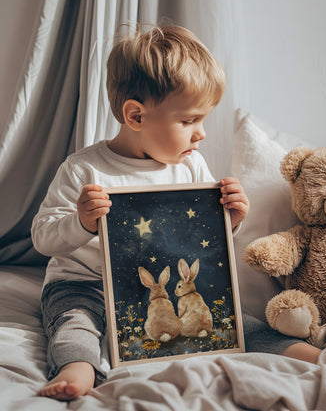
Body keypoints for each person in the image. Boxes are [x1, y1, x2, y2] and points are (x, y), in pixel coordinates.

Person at [31, 23, 249, 401]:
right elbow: (43, 237)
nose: (201, 134)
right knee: (74, 324)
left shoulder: (191, 167)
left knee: (233, 320)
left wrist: (230, 220)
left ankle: (287, 349)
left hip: (153, 292)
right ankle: (77, 368)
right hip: (84, 284)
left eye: (202, 120)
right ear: (136, 117)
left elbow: (203, 242)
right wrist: (81, 221)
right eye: (189, 121)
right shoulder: (84, 170)